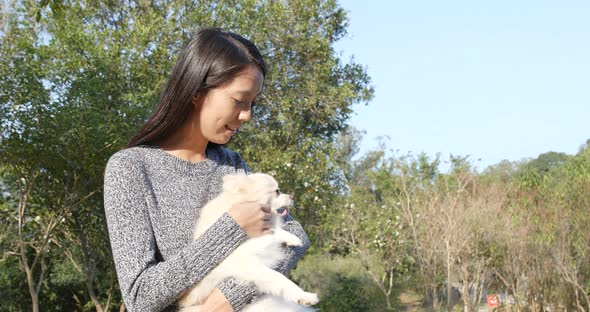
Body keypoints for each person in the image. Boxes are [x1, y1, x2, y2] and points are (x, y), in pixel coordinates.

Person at [103, 27, 310, 312]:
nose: (247, 115)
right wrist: (232, 228)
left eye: (252, 103)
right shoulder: (131, 168)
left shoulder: (232, 165)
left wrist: (228, 298)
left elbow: (295, 235)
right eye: (239, 100)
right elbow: (139, 296)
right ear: (197, 92)